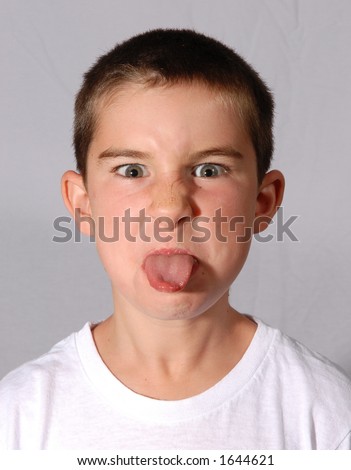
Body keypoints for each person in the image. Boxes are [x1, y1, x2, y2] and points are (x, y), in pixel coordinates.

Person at [0, 29, 350, 450]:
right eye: (132, 170)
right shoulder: (20, 417)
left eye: (209, 170)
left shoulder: (327, 416)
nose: (170, 207)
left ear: (262, 203)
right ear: (83, 204)